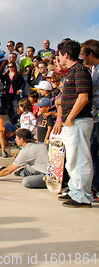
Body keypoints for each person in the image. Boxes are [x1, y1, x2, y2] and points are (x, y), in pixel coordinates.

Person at [54, 39, 94, 208]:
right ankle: (74, 190)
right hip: (73, 122)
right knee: (71, 159)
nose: (58, 58)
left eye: (60, 55)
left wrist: (69, 118)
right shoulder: (71, 71)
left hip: (78, 121)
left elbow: (83, 97)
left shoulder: (80, 71)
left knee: (79, 159)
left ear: (66, 55)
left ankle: (82, 195)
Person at [80, 39, 99, 201]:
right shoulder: (93, 70)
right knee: (92, 152)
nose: (82, 58)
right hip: (95, 117)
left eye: (83, 54)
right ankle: (95, 186)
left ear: (91, 54)